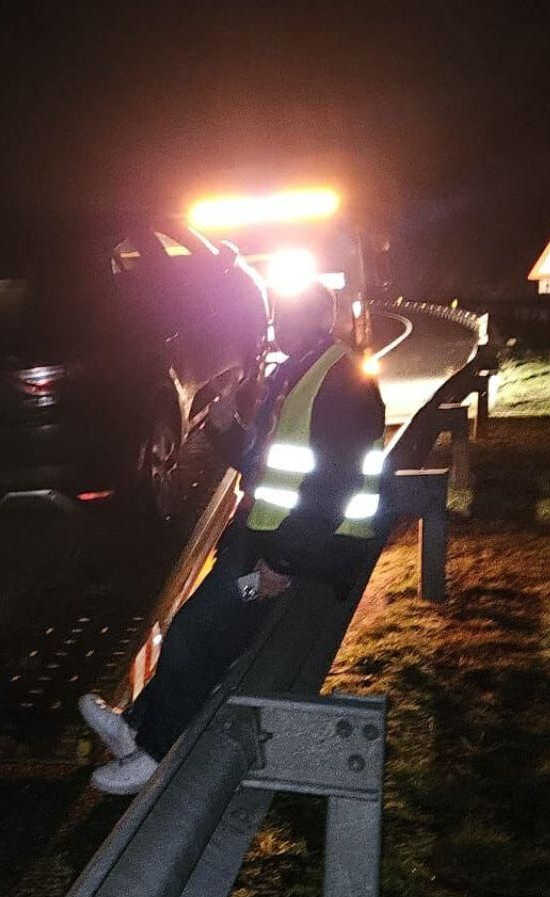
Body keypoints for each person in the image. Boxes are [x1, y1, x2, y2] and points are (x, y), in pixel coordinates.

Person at [79, 283, 386, 795]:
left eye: (288, 316)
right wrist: (225, 427)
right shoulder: (300, 373)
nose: (278, 327)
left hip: (305, 554)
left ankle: (155, 752)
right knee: (193, 628)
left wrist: (282, 563)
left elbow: (334, 485)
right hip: (269, 538)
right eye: (278, 316)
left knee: (199, 632)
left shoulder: (343, 384)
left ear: (318, 320)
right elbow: (268, 467)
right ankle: (136, 727)